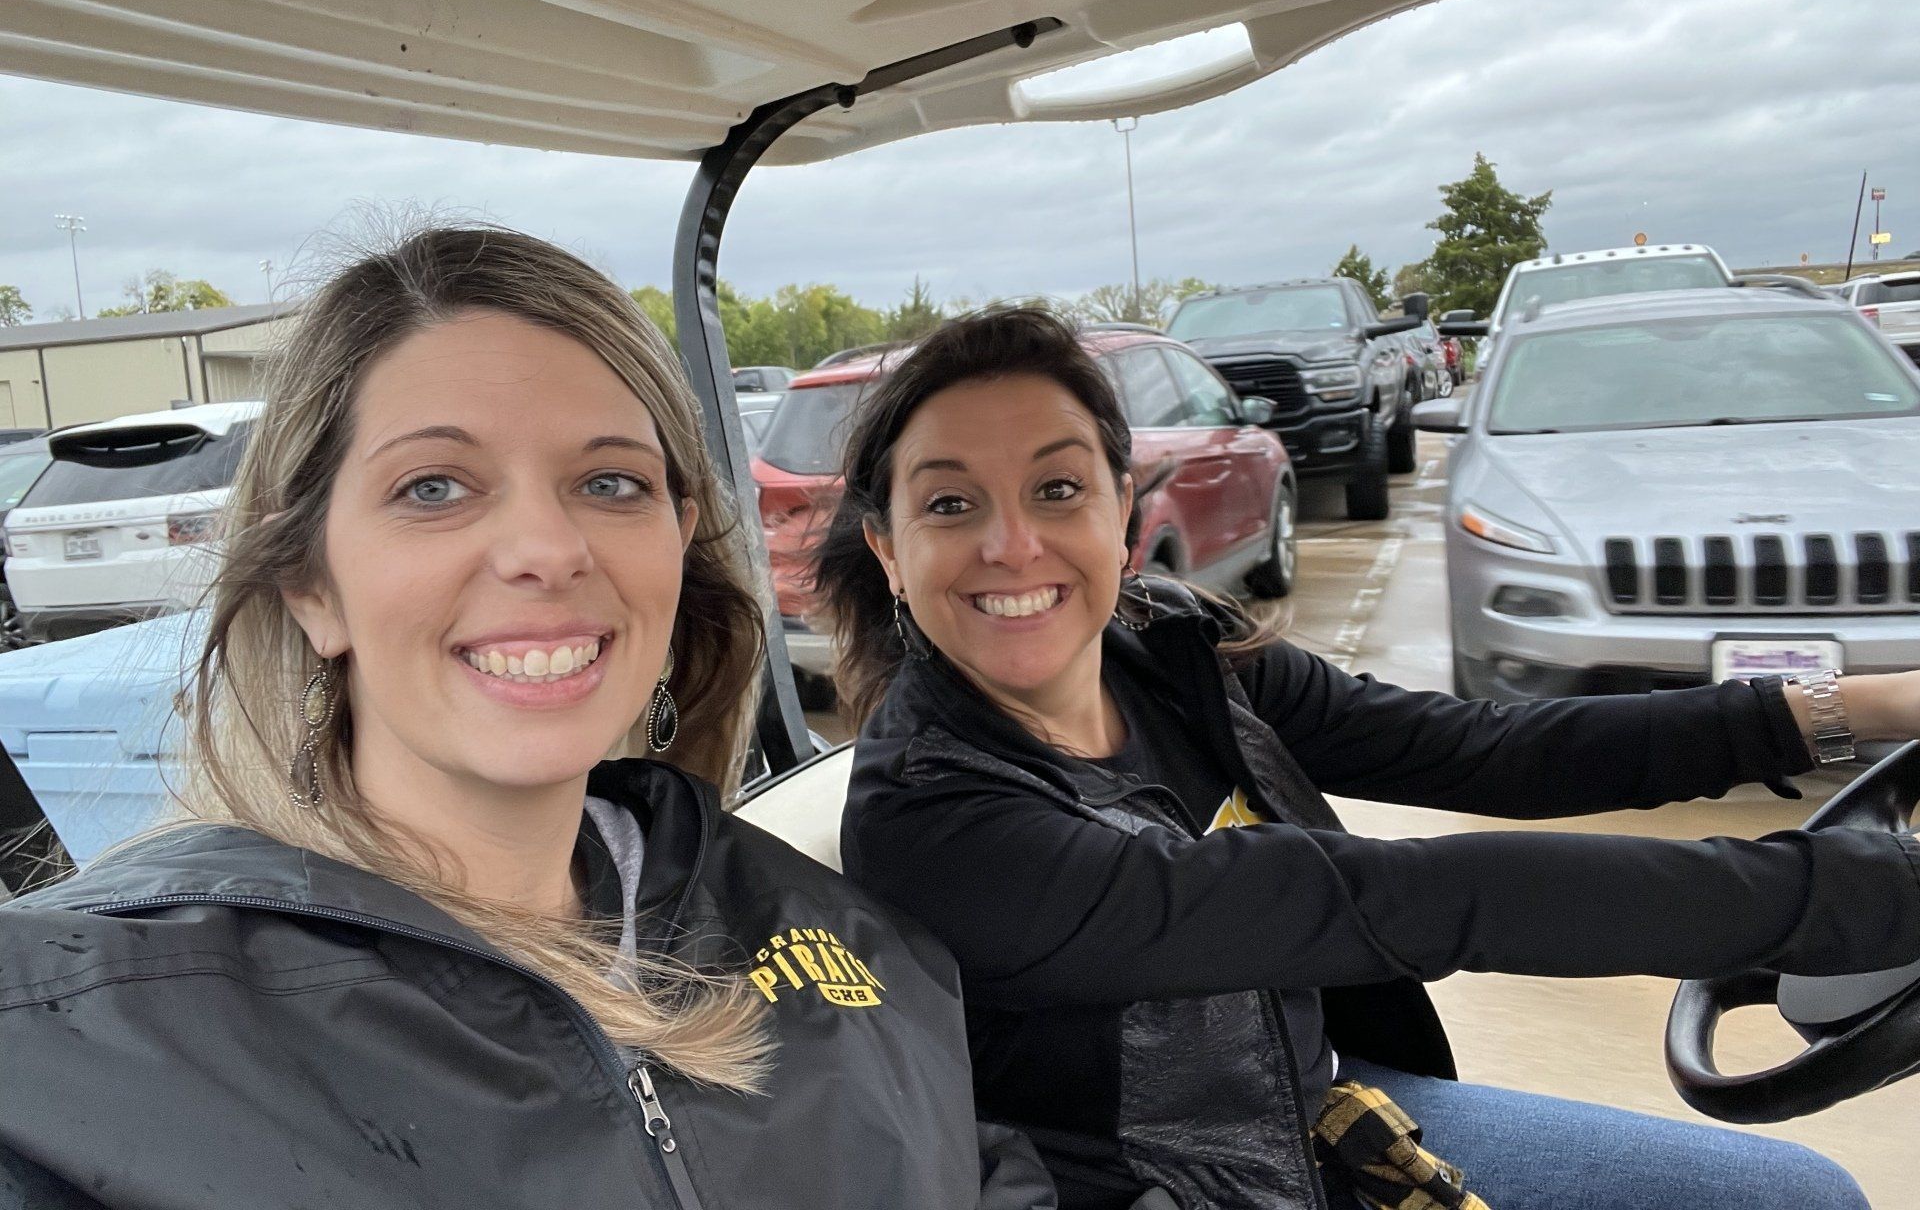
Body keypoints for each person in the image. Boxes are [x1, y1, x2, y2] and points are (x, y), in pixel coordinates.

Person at [0, 228, 1055, 1210]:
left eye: (609, 481)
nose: (547, 549)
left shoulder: (849, 937)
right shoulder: (77, 1048)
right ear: (310, 583)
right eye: (433, 488)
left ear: (678, 546)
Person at [820, 304, 1920, 1210]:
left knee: (1797, 1198)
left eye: (1058, 489)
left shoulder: (1174, 654)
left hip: (1327, 1114)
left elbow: (1486, 751)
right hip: (1159, 1188)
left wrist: (1860, 706)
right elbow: (1410, 899)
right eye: (951, 504)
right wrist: (1870, 894)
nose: (1012, 544)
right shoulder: (933, 817)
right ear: (890, 551)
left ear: (1122, 514)